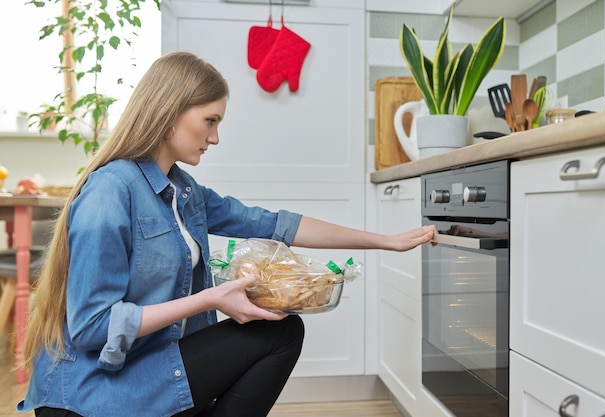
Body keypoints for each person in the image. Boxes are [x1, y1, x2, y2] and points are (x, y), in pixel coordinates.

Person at [18, 51, 436, 417]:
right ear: (168, 114)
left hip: (149, 366)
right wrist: (210, 299)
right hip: (94, 393)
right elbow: (92, 327)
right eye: (210, 121)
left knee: (283, 330)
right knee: (277, 336)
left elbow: (277, 224)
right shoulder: (110, 190)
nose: (215, 137)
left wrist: (386, 241)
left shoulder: (184, 191)